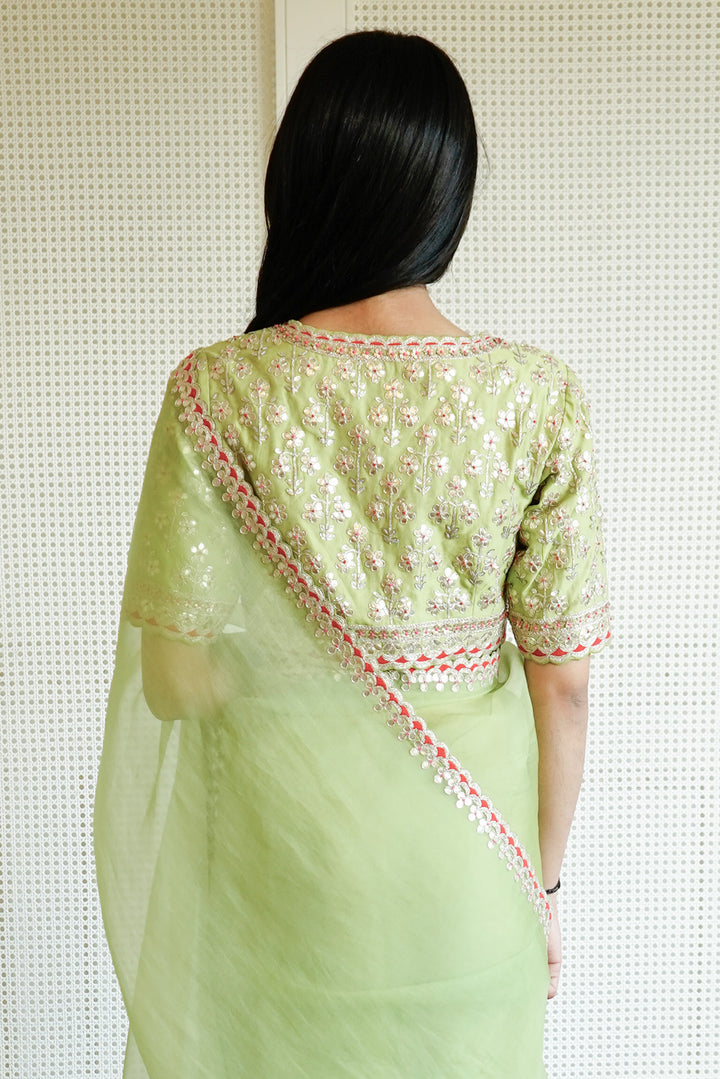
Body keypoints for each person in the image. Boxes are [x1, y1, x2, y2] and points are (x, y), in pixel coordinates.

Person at [93, 29, 611, 1079]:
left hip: (281, 884)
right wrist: (542, 892)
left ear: (303, 182)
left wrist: (306, 685)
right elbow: (564, 689)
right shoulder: (536, 398)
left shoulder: (214, 392)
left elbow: (175, 681)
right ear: (447, 197)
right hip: (465, 883)